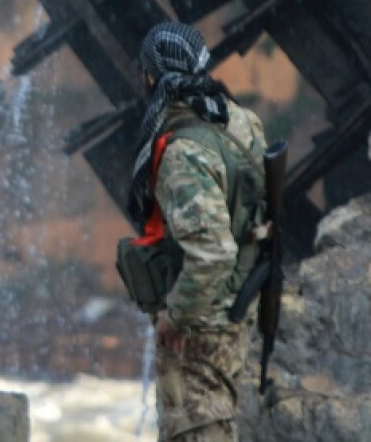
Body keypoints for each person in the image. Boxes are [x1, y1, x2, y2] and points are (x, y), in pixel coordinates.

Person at [124, 22, 268, 441]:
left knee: (197, 427)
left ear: (153, 76)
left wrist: (177, 316)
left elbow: (213, 251)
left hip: (200, 324)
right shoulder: (241, 121)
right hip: (237, 305)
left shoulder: (183, 150)